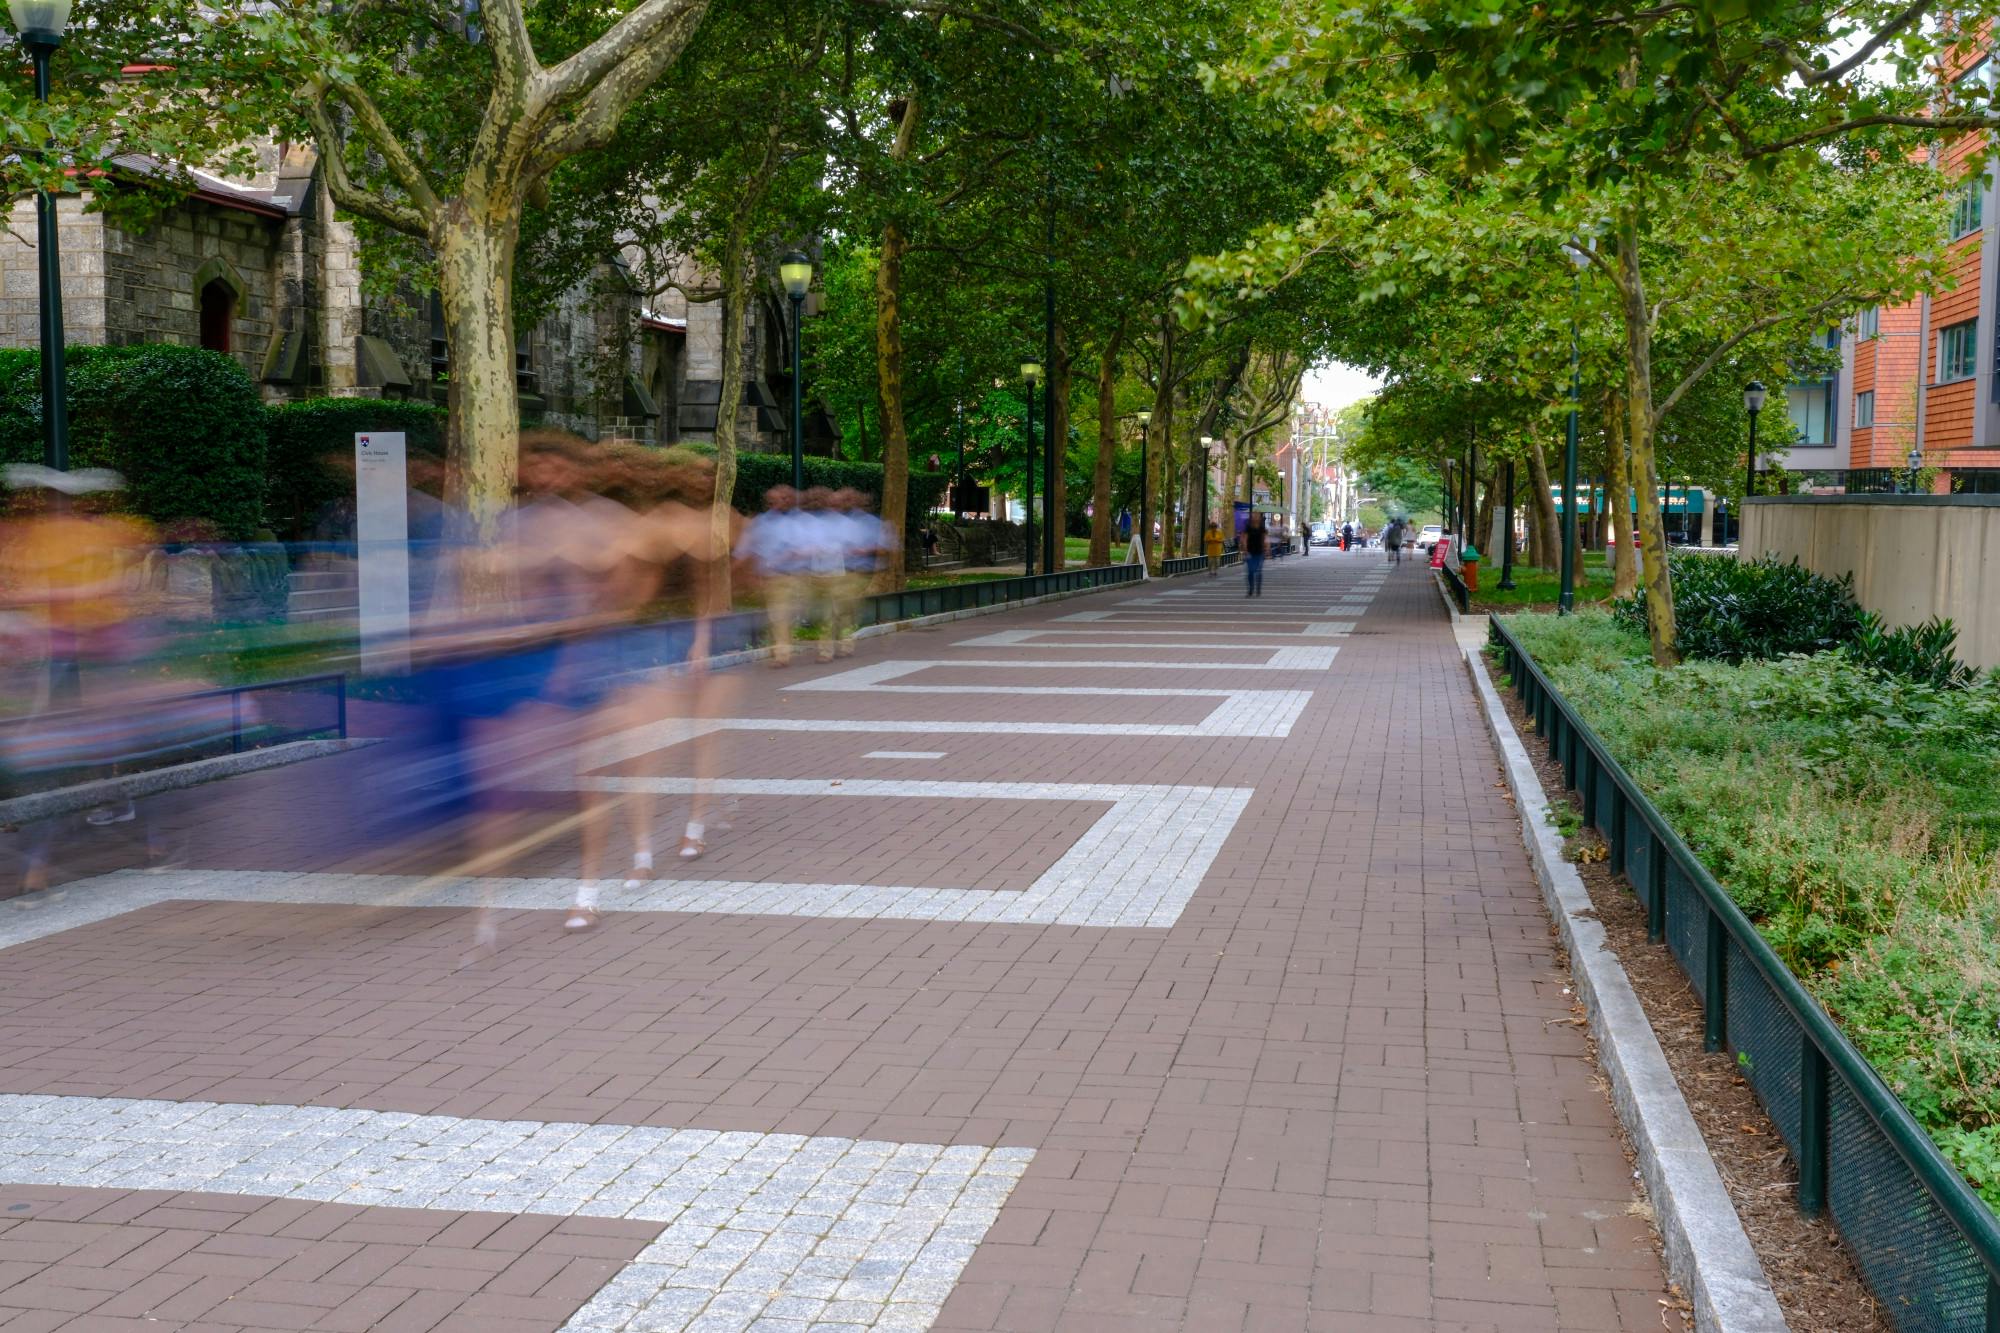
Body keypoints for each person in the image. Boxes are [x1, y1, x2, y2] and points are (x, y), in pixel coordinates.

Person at [1243, 513, 1267, 597]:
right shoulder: (1248, 528)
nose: (1255, 518)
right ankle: (1251, 589)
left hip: (1259, 552)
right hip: (1250, 552)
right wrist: (1245, 549)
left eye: (1257, 516)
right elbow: (1245, 539)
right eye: (1253, 516)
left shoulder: (1262, 528)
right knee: (1250, 571)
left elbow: (1265, 539)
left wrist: (1266, 548)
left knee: (1259, 571)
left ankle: (1258, 589)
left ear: (1260, 519)